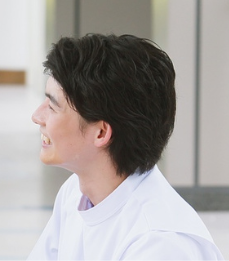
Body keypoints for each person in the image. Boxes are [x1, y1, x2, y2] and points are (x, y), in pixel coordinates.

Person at [29, 34, 223, 260]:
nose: (37, 116)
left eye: (52, 107)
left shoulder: (159, 244)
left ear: (101, 133)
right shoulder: (75, 193)